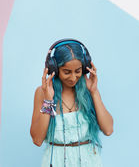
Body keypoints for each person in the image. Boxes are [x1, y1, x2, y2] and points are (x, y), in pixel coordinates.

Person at [30, 39, 113, 167]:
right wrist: (49, 100)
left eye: (78, 71)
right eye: (67, 72)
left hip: (89, 161)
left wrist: (94, 92)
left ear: (85, 69)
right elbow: (37, 139)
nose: (73, 78)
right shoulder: (43, 92)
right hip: (56, 161)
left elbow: (108, 130)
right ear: (55, 69)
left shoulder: (88, 90)